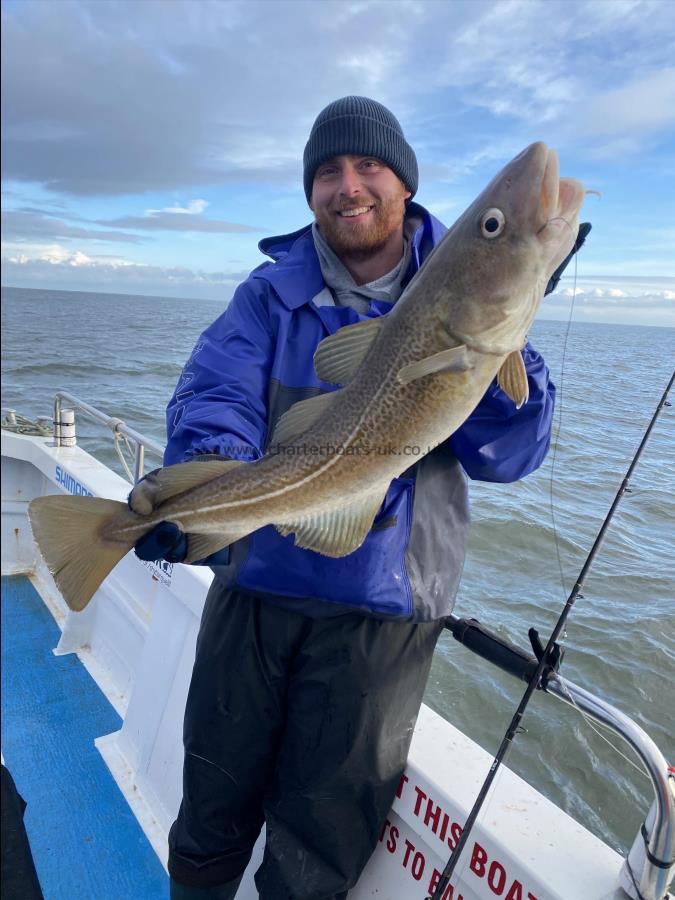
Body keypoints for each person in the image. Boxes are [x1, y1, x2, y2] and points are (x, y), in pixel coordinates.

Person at [131, 97, 589, 900]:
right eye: (327, 172)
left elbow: (509, 456)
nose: (348, 186)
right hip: (255, 588)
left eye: (367, 166)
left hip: (383, 612)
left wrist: (500, 350)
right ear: (310, 192)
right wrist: (205, 484)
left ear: (404, 183)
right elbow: (216, 392)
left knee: (318, 845)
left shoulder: (464, 305)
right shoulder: (271, 296)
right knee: (210, 808)